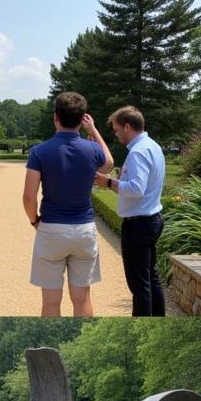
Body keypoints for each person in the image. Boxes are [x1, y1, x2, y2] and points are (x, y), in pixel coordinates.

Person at [23, 91, 113, 316]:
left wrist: (35, 220)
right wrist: (93, 130)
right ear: (82, 119)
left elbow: (28, 196)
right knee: (82, 300)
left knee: (51, 302)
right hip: (84, 229)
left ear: (55, 117)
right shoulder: (91, 150)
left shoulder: (39, 152)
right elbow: (108, 164)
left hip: (51, 228)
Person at [98, 106, 165, 316]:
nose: (116, 135)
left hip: (139, 225)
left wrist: (109, 183)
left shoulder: (138, 152)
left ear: (127, 127)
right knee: (150, 278)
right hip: (151, 219)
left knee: (139, 285)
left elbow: (136, 189)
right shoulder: (152, 146)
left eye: (117, 130)